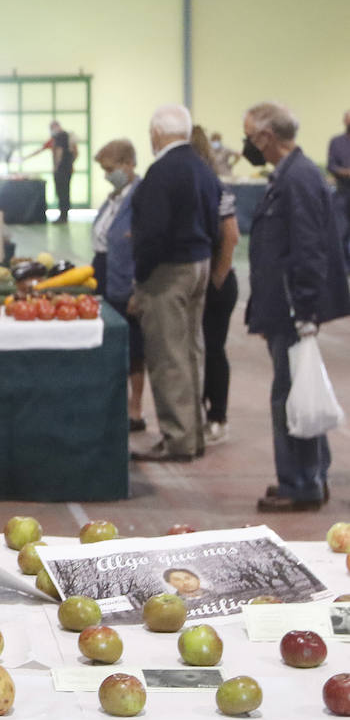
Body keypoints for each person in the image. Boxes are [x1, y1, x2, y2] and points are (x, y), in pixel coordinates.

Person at [243, 101, 350, 512]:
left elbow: (308, 248)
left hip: (292, 307)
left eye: (251, 136)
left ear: (267, 137)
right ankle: (310, 476)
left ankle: (301, 483)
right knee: (298, 392)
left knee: (290, 396)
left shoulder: (298, 178)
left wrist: (304, 310)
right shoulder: (290, 175)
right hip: (284, 306)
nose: (248, 145)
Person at [129, 104, 222, 463]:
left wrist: (142, 275)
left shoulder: (162, 172)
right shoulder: (201, 166)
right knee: (191, 352)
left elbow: (152, 231)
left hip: (168, 271)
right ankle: (193, 434)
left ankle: (177, 439)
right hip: (199, 263)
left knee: (168, 356)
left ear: (156, 133)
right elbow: (215, 220)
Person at [90, 139, 147, 432]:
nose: (106, 174)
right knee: (110, 342)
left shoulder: (140, 197)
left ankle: (135, 409)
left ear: (128, 164)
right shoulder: (112, 198)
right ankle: (113, 402)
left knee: (134, 347)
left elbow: (142, 244)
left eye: (109, 168)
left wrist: (138, 287)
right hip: (103, 273)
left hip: (126, 277)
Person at [190, 126, 241, 445]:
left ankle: (217, 416)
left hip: (217, 282)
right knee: (198, 349)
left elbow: (231, 236)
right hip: (198, 279)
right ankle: (199, 410)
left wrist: (217, 278)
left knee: (213, 348)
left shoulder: (216, 189)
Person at [27, 120, 79, 224]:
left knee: (63, 193)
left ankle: (63, 217)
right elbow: (42, 148)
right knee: (63, 192)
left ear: (57, 127)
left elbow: (60, 151)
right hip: (66, 169)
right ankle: (64, 216)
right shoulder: (58, 138)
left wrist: (57, 166)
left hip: (62, 170)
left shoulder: (62, 136)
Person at [327, 110, 350, 259]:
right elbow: (331, 166)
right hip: (342, 192)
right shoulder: (336, 142)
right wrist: (346, 172)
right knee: (340, 231)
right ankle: (343, 267)